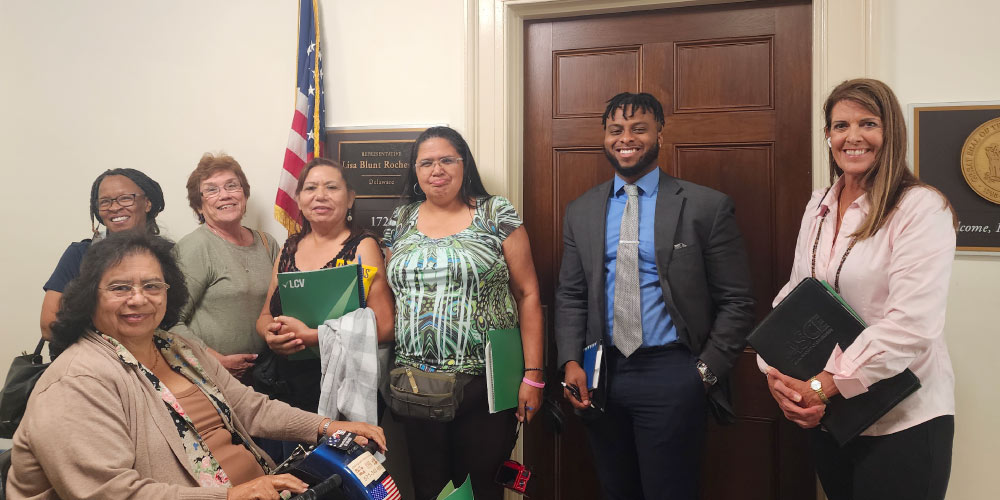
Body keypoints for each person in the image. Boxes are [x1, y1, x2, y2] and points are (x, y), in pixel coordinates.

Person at [8, 231, 385, 499]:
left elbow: (248, 407)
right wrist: (232, 496)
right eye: (121, 288)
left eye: (152, 286)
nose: (138, 299)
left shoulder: (178, 347)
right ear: (91, 297)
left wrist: (327, 426)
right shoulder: (76, 381)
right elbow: (108, 492)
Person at [760, 78, 957, 500]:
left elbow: (911, 326)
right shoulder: (819, 204)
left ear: (891, 133)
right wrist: (778, 376)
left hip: (902, 423)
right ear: (828, 135)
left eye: (868, 123)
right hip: (833, 419)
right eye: (839, 125)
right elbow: (796, 295)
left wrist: (817, 387)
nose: (852, 137)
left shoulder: (921, 208)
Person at [554, 92, 755, 500]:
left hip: (673, 372)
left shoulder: (705, 206)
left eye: (638, 128)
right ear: (605, 137)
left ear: (660, 132)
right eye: (616, 130)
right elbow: (571, 294)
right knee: (616, 490)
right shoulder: (581, 210)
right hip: (602, 374)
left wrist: (702, 373)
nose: (626, 138)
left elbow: (738, 300)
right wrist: (571, 360)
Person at [382, 126, 544, 500]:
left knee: (481, 489)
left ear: (463, 164)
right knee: (429, 489)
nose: (436, 169)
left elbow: (528, 292)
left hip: (485, 384)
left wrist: (533, 375)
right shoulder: (401, 219)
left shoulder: (495, 212)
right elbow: (388, 291)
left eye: (446, 160)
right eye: (426, 162)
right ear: (415, 171)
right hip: (415, 384)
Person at [256, 158, 394, 412]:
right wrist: (269, 334)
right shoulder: (288, 248)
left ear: (350, 198)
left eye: (331, 187)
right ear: (298, 199)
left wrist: (313, 337)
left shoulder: (363, 247)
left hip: (345, 387)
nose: (320, 196)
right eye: (310, 188)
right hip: (286, 384)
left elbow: (385, 327)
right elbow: (265, 315)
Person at [172, 153, 279, 381]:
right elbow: (169, 321)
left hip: (268, 373)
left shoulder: (267, 243)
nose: (225, 195)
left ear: (244, 194)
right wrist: (214, 361)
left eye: (232, 186)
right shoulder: (195, 247)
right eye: (212, 190)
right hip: (215, 377)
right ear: (199, 206)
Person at [39, 168, 165, 355]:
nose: (114, 207)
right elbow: (48, 325)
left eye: (125, 198)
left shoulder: (167, 257)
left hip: (152, 362)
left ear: (147, 203)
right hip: (85, 363)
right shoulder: (79, 255)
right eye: (105, 201)